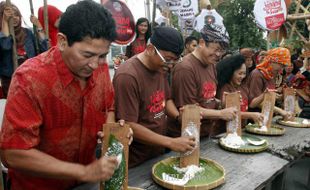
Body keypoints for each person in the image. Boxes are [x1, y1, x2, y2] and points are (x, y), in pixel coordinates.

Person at [0, 1, 132, 189]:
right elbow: (12, 153)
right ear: (62, 42)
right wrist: (84, 171)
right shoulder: (29, 79)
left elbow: (108, 106)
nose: (95, 64)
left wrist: (113, 132)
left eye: (102, 55)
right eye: (87, 55)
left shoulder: (100, 69)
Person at [113, 26, 196, 168]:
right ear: (151, 49)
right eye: (168, 60)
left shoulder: (160, 68)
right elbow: (128, 124)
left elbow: (166, 99)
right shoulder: (127, 76)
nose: (170, 66)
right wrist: (170, 142)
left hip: (157, 152)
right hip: (136, 160)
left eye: (174, 61)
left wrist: (178, 117)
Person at [169, 24, 237, 138]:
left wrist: (222, 102)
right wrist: (220, 114)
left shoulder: (211, 65)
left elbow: (206, 99)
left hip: (205, 133)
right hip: (185, 136)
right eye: (216, 49)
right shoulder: (185, 68)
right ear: (201, 43)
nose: (219, 55)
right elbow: (190, 110)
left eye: (222, 51)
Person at [0, 2, 48, 98]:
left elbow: (45, 48)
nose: (15, 18)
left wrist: (38, 26)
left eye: (16, 14)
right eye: (11, 15)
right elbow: (6, 45)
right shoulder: (1, 35)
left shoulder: (27, 33)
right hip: (10, 80)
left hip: (29, 76)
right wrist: (5, 21)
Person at [216, 54, 263, 125]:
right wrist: (250, 115)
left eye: (244, 73)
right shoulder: (224, 88)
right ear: (230, 72)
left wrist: (265, 94)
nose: (242, 76)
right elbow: (230, 113)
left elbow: (252, 104)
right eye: (240, 73)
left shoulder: (243, 87)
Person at [248, 47, 293, 119]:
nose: (282, 69)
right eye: (281, 65)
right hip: (256, 117)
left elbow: (268, 95)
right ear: (272, 61)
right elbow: (254, 102)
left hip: (268, 114)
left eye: (284, 66)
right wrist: (279, 110)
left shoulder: (271, 74)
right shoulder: (257, 74)